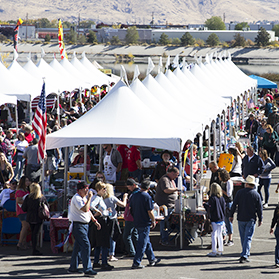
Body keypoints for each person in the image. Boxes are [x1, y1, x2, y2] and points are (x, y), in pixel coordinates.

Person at [68, 181, 101, 276]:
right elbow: (85, 209)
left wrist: (94, 221)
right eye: (85, 189)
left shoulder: (82, 198)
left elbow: (88, 211)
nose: (87, 191)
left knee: (78, 247)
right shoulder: (77, 198)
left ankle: (73, 267)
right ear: (80, 190)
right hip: (79, 225)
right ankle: (87, 269)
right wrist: (90, 198)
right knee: (86, 246)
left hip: (84, 225)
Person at [229, 175, 263, 263]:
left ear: (247, 184)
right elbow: (259, 208)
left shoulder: (240, 192)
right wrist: (260, 218)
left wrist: (231, 215)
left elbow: (234, 204)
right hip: (251, 218)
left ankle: (245, 253)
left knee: (243, 237)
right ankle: (245, 254)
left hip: (241, 217)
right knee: (248, 237)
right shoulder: (256, 194)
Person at [129, 179, 161, 269]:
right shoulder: (146, 196)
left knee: (146, 241)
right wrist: (153, 220)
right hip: (144, 221)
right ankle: (136, 262)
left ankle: (152, 259)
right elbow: (150, 211)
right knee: (142, 242)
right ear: (148, 187)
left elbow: (130, 208)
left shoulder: (134, 195)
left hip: (137, 221)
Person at [90, 182, 114, 271]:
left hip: (102, 220)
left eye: (105, 189)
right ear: (98, 190)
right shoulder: (97, 198)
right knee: (104, 242)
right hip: (102, 221)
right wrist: (98, 211)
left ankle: (96, 261)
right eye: (103, 189)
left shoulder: (100, 198)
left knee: (98, 243)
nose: (105, 190)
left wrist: (106, 210)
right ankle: (104, 262)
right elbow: (91, 205)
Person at [154, 166, 179, 245]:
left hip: (170, 205)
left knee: (167, 222)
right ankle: (163, 240)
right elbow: (166, 190)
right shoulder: (165, 179)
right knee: (164, 223)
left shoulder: (171, 180)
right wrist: (177, 189)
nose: (176, 177)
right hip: (165, 205)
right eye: (176, 175)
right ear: (172, 173)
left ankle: (165, 238)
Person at [103, 183, 128, 261]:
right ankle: (111, 254)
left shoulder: (101, 198)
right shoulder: (112, 198)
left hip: (104, 218)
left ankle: (101, 254)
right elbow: (123, 205)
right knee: (113, 237)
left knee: (104, 237)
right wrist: (125, 197)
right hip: (112, 218)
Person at [22, 183, 48, 255]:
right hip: (39, 217)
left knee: (33, 232)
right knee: (36, 233)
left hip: (30, 217)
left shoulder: (28, 198)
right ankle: (35, 249)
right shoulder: (42, 198)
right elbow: (47, 207)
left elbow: (24, 208)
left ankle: (34, 248)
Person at [205, 183, 226, 257]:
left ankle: (214, 251)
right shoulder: (222, 198)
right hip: (221, 218)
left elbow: (211, 208)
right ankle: (220, 250)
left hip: (214, 218)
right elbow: (224, 208)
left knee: (214, 235)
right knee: (220, 235)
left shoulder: (212, 198)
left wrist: (206, 206)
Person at [123, 178, 140, 257]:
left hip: (131, 217)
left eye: (129, 187)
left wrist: (125, 199)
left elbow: (131, 205)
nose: (128, 188)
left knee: (126, 236)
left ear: (133, 185)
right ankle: (138, 250)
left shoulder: (135, 194)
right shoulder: (135, 193)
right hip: (134, 217)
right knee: (135, 234)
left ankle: (132, 252)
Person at [218, 169, 234, 246]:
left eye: (219, 176)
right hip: (223, 202)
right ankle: (224, 238)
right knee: (224, 220)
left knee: (228, 220)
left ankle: (230, 239)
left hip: (228, 203)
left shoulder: (229, 182)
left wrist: (221, 190)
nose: (218, 177)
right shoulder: (223, 182)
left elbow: (229, 194)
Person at [15, 176, 30, 250]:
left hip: (26, 210)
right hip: (21, 211)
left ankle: (24, 242)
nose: (28, 182)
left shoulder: (26, 190)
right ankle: (20, 243)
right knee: (25, 226)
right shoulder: (20, 191)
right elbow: (18, 201)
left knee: (26, 227)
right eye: (26, 181)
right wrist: (27, 202)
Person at [270, 203, 279, 268]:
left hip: (278, 228)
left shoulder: (278, 207)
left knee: (278, 246)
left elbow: (274, 218)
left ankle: (277, 261)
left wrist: (272, 227)